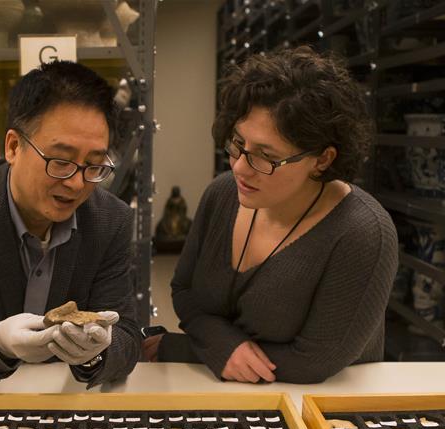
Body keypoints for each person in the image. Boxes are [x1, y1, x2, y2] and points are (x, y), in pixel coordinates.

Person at [143, 47, 398, 384]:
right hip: (230, 395)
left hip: (326, 405)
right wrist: (222, 344)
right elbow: (185, 291)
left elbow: (314, 363)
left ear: (322, 159)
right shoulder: (222, 194)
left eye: (266, 157)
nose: (239, 168)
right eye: (238, 144)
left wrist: (183, 348)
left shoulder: (361, 233)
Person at [0, 61, 141, 392]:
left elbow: (128, 339)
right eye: (60, 161)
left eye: (93, 165)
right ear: (13, 147)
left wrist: (95, 354)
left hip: (67, 403)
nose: (76, 184)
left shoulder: (109, 220)